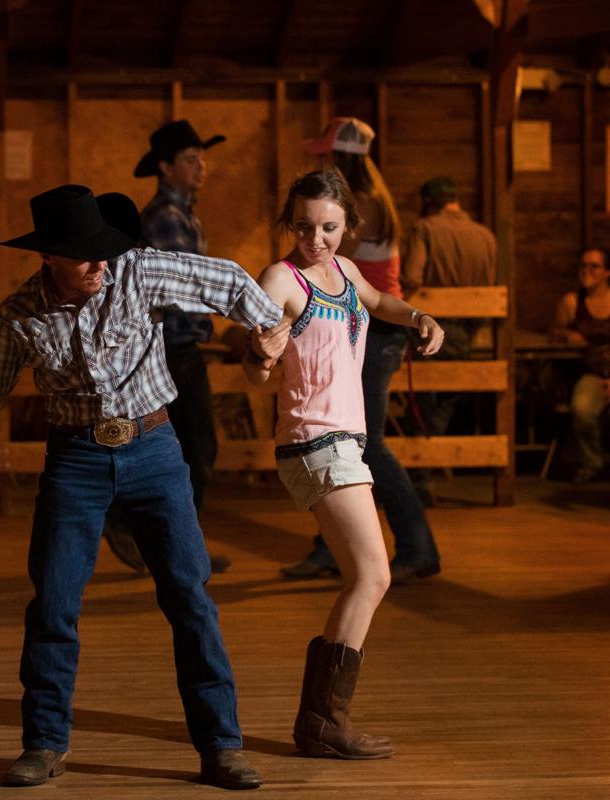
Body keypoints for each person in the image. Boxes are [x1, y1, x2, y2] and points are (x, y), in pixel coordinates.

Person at [0, 184, 289, 789]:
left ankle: (220, 743)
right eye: (82, 254)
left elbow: (225, 279)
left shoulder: (137, 271)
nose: (99, 262)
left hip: (152, 447)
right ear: (47, 257)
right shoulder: (19, 317)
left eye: (102, 249)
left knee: (188, 594)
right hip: (75, 458)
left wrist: (269, 328)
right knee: (54, 601)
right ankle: (44, 742)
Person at [247, 168, 444, 758]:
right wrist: (259, 355)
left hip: (342, 442)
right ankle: (323, 721)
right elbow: (255, 354)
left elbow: (379, 299)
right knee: (373, 574)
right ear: (290, 224)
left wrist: (418, 318)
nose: (317, 240)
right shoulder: (283, 279)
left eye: (329, 228)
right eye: (304, 227)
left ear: (347, 226)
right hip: (315, 440)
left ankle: (321, 721)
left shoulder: (342, 271)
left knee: (369, 574)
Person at [281, 118, 442, 585]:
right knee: (350, 441)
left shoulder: (359, 203)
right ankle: (333, 546)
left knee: (362, 443)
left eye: (327, 156)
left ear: (341, 159)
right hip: (373, 330)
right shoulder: (379, 197)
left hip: (368, 331)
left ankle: (415, 546)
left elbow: (349, 279)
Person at [100, 119, 231, 576]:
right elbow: (185, 287)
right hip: (174, 349)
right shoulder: (167, 217)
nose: (202, 167)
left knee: (178, 448)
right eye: (191, 160)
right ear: (166, 168)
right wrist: (229, 314)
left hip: (171, 348)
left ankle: (166, 542)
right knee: (196, 448)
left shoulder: (176, 214)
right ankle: (169, 544)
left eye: (202, 159)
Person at [402, 175, 499, 456]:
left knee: (422, 400)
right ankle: (427, 466)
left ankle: (420, 470)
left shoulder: (425, 229)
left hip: (430, 328)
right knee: (446, 397)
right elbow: (490, 287)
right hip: (467, 333)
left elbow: (411, 277)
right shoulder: (486, 236)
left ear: (429, 203)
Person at [549, 247, 610, 483]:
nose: (587, 271)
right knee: (583, 407)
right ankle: (593, 463)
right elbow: (553, 333)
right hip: (592, 373)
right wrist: (566, 334)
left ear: (606, 272)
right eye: (583, 266)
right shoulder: (572, 302)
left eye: (594, 266)